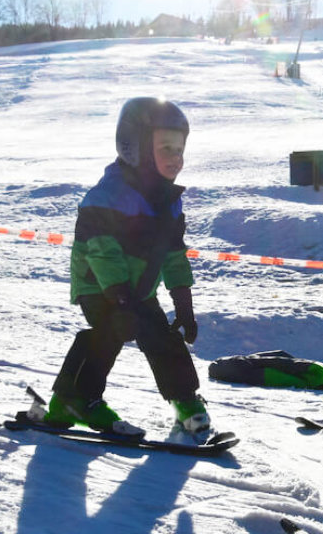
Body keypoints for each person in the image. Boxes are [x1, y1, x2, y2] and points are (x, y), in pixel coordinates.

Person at [35, 97, 209, 442]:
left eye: (180, 149)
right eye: (165, 148)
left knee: (162, 337)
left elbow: (174, 254)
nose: (176, 157)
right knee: (109, 331)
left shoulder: (168, 200)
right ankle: (75, 401)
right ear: (136, 148)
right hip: (100, 286)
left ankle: (185, 400)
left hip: (138, 289)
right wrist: (122, 300)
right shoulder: (109, 195)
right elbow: (101, 252)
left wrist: (184, 303)